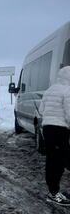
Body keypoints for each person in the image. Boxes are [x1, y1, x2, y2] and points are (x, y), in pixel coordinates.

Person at [39, 66, 70, 206]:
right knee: (58, 161)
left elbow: (41, 110)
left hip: (47, 128)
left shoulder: (50, 90)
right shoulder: (67, 90)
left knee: (52, 160)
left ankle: (53, 191)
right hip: (60, 129)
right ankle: (53, 193)